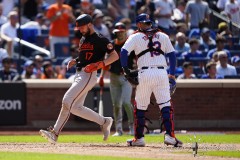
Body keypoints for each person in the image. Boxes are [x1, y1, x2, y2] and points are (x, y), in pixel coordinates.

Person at [39, 14, 119, 143]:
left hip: (88, 74)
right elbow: (84, 56)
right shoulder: (83, 38)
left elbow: (114, 56)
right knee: (76, 108)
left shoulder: (100, 39)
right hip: (80, 73)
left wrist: (100, 64)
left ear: (90, 24)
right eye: (79, 28)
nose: (80, 30)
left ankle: (55, 133)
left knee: (67, 100)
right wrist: (75, 60)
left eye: (82, 27)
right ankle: (104, 121)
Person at [120, 13, 182, 147]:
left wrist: (125, 70)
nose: (147, 25)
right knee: (166, 106)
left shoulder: (135, 36)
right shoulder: (163, 35)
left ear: (138, 24)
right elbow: (172, 55)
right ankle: (170, 136)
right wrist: (172, 74)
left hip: (145, 73)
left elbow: (123, 52)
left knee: (140, 107)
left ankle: (139, 138)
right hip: (161, 73)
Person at [100, 22, 134, 136]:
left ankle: (132, 126)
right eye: (117, 32)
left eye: (121, 32)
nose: (119, 34)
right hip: (113, 76)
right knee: (116, 105)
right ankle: (118, 129)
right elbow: (106, 62)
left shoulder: (130, 44)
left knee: (126, 102)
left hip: (126, 77)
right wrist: (101, 76)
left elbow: (137, 60)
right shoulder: (111, 45)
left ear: (125, 32)